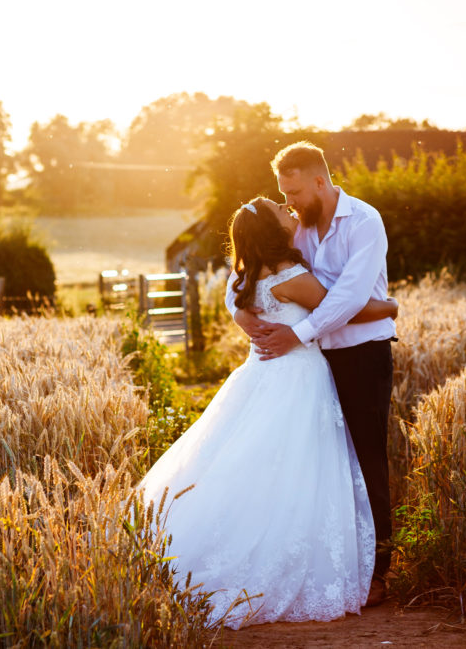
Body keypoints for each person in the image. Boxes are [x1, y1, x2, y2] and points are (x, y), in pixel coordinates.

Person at [137, 196, 398, 628]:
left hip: (261, 376)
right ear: (274, 232)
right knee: (298, 466)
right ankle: (285, 559)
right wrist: (390, 307)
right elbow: (342, 308)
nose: (290, 212)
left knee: (255, 464)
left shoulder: (248, 275)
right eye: (282, 212)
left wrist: (239, 314)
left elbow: (234, 296)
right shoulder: (290, 276)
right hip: (297, 379)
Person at [230, 141, 396, 608]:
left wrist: (295, 334)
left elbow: (344, 299)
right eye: (284, 194)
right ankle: (329, 563)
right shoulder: (293, 229)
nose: (290, 204)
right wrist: (239, 314)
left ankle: (378, 571)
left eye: (296, 192)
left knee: (367, 460)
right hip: (313, 364)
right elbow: (244, 272)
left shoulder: (364, 222)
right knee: (321, 463)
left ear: (320, 180)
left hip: (362, 355)